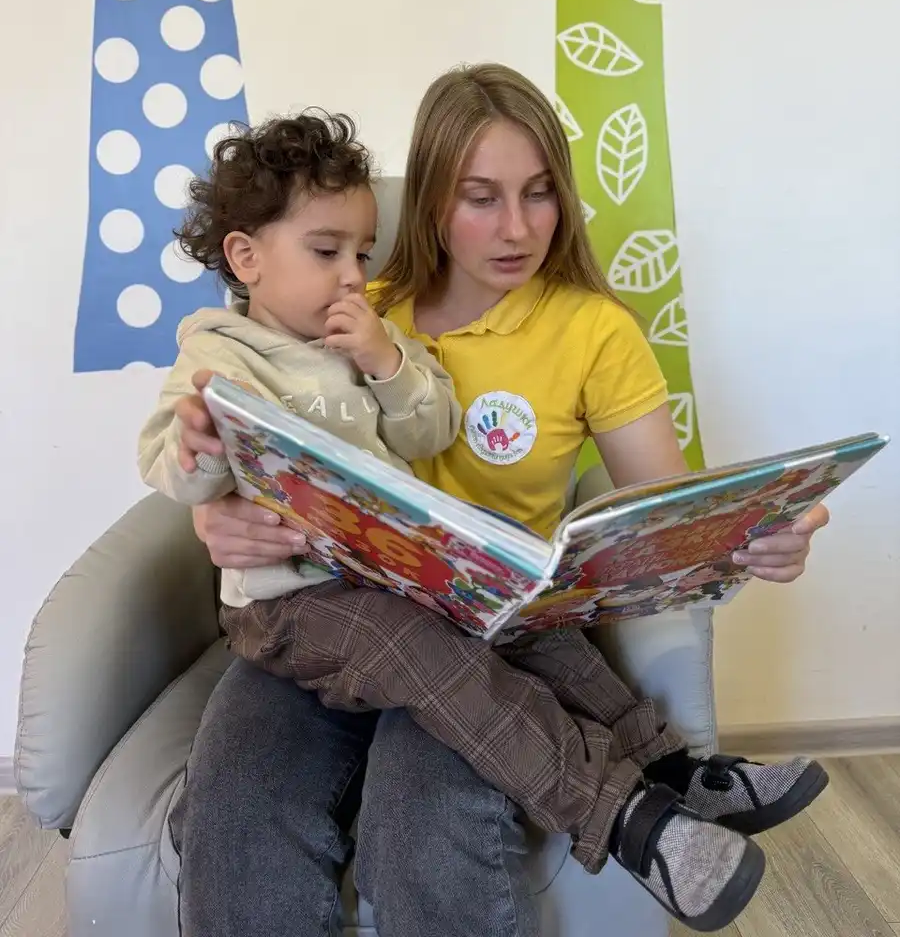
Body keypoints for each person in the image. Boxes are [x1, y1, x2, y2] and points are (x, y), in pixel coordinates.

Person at [168, 64, 831, 937]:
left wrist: (754, 539)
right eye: (481, 198)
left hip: (489, 627)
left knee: (425, 826)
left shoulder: (583, 330)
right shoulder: (338, 310)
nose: (517, 228)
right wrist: (211, 515)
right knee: (235, 828)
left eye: (540, 192)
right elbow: (227, 428)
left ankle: (667, 785)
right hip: (322, 612)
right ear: (432, 201)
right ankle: (652, 800)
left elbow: (662, 512)